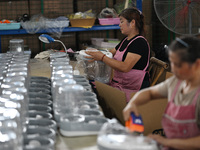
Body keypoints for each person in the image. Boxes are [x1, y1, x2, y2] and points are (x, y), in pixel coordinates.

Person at [123, 36, 200, 150]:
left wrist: (167, 141)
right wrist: (132, 104)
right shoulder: (176, 82)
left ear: (197, 64)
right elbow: (149, 93)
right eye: (172, 63)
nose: (173, 70)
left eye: (178, 65)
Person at [86, 7, 150, 102]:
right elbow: (109, 54)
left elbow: (125, 67)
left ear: (132, 23)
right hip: (120, 84)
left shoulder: (139, 42)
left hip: (133, 89)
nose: (119, 25)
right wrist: (93, 54)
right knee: (89, 86)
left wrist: (102, 57)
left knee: (95, 93)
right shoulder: (126, 40)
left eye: (121, 21)